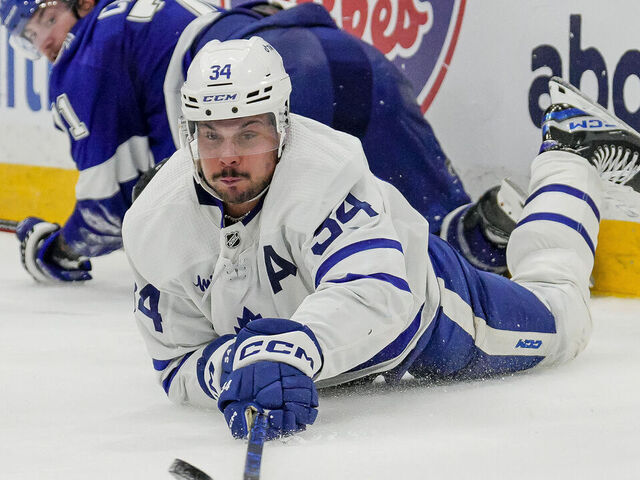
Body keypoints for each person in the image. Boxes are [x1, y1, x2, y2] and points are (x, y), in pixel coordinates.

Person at [122, 38, 640, 440]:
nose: (227, 156)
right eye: (210, 135)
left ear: (282, 126)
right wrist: (235, 367)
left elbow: (374, 294)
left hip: (425, 312)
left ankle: (571, 154)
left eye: (248, 134)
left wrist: (286, 351)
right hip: (335, 355)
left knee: (563, 316)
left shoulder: (326, 170)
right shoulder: (155, 224)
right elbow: (177, 363)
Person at [1, 0, 513, 283]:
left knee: (269, 271)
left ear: (81, 4)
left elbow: (109, 206)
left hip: (267, 91)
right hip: (347, 55)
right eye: (28, 36)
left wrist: (59, 248)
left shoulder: (85, 52)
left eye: (45, 20)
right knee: (444, 234)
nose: (43, 42)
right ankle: (492, 230)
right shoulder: (150, 12)